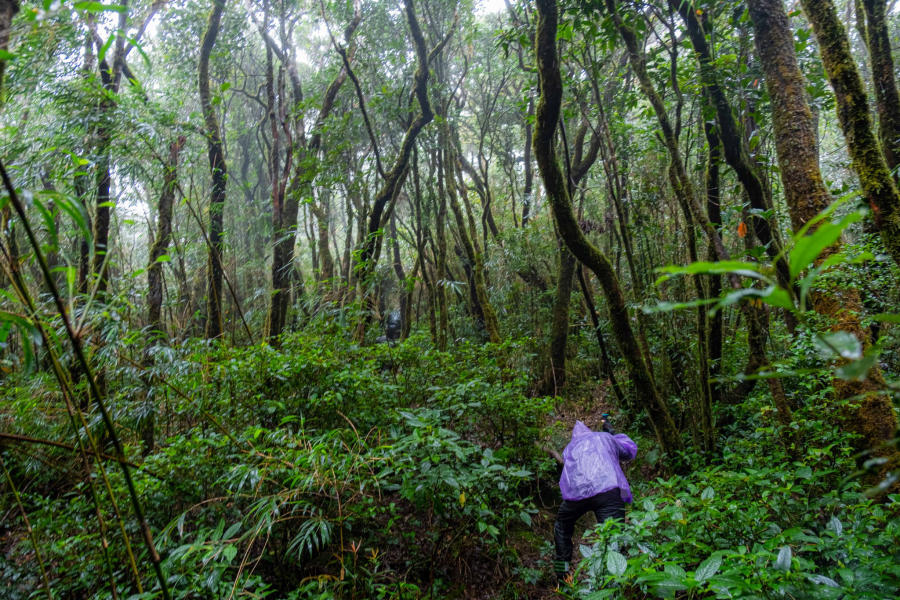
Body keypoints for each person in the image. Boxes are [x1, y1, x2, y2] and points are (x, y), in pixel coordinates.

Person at [553, 416, 637, 584]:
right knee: (614, 535)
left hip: (577, 495)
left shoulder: (569, 448)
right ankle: (616, 582)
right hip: (608, 490)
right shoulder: (604, 438)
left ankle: (562, 576)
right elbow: (628, 451)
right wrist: (612, 434)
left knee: (562, 527)